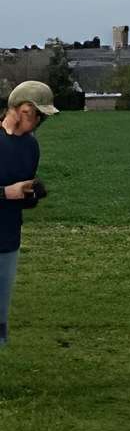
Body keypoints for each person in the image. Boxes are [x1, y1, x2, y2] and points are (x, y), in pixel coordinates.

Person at [1, 79, 55, 360]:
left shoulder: (31, 147)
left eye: (41, 117)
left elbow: (21, 197)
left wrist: (32, 195)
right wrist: (5, 193)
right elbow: (8, 193)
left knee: (1, 311)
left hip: (9, 238)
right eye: (33, 114)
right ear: (18, 108)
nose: (36, 123)